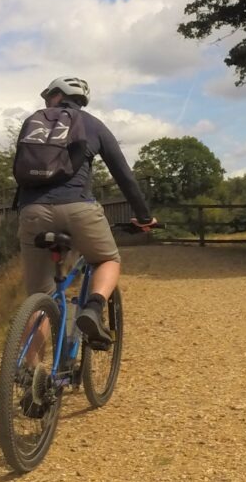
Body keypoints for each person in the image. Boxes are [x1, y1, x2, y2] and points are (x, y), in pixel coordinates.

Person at [15, 76, 156, 352]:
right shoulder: (92, 124)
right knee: (107, 259)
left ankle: (30, 377)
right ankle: (92, 308)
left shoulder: (33, 122)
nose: (46, 103)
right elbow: (124, 176)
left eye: (48, 97)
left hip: (32, 211)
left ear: (57, 95)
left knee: (40, 297)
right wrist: (144, 216)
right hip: (79, 209)